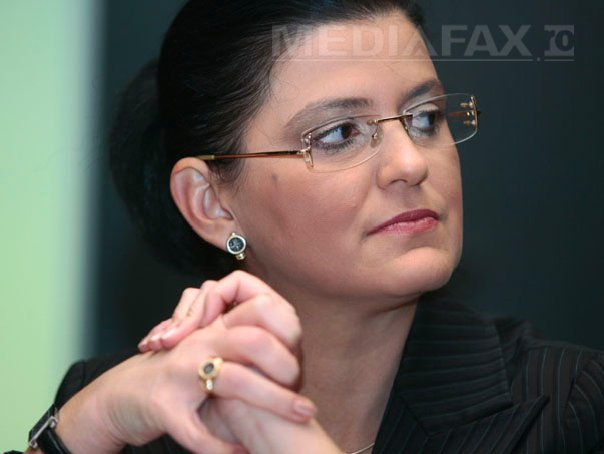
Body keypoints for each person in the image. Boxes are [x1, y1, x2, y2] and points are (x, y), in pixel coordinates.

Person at [14, 1, 604, 453]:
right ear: (212, 204)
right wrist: (81, 426)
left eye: (425, 118)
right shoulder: (122, 411)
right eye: (340, 134)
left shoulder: (568, 406)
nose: (411, 163)